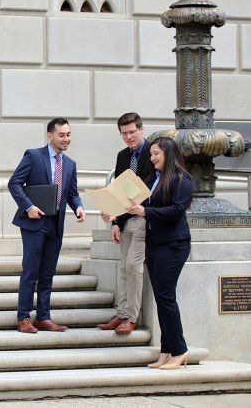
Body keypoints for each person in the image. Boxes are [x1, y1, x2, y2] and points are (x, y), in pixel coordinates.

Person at [8, 118, 86, 334]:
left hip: (56, 223)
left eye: (69, 134)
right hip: (34, 222)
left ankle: (43, 317)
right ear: (50, 135)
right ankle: (23, 317)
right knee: (31, 270)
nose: (66, 139)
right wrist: (29, 206)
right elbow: (14, 183)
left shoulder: (70, 164)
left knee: (48, 271)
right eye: (62, 135)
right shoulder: (33, 156)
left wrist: (78, 206)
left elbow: (72, 193)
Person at [126, 137, 193, 370]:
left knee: (166, 297)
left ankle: (180, 350)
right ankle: (166, 351)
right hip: (155, 243)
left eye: (157, 154)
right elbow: (136, 204)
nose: (153, 158)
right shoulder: (154, 179)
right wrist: (115, 215)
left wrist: (145, 211)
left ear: (169, 154)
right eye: (152, 154)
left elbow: (176, 210)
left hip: (173, 244)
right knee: (161, 298)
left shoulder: (182, 179)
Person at [98, 112, 155, 335]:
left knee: (133, 266)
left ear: (142, 129)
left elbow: (151, 189)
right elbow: (120, 190)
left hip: (142, 217)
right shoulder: (122, 156)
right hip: (124, 219)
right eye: (124, 134)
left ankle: (131, 317)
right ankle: (122, 313)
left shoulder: (153, 152)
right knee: (123, 267)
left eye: (132, 132)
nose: (129, 137)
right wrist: (115, 221)